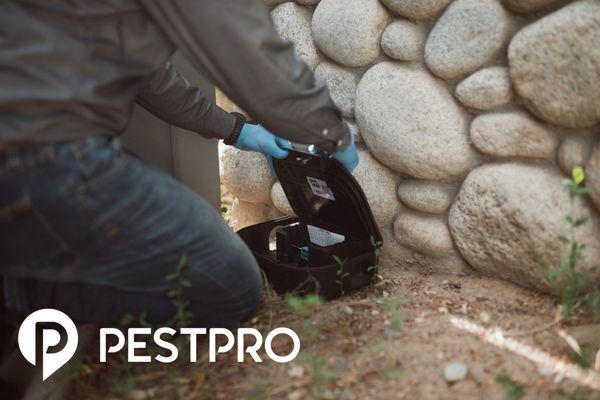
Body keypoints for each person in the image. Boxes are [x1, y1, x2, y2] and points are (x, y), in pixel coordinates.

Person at [0, 0, 359, 328]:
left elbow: (150, 78)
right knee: (231, 289)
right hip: (38, 153)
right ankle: (15, 295)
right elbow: (247, 51)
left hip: (31, 142)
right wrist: (331, 133)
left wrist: (235, 130)